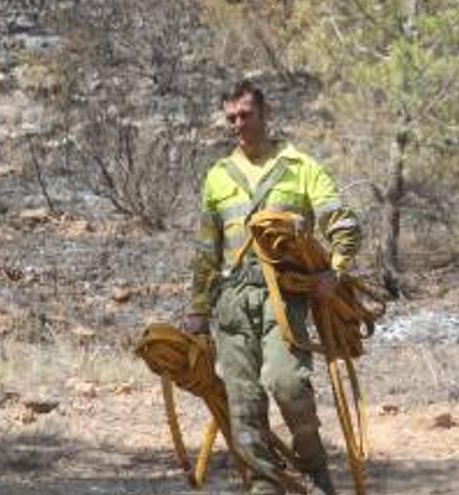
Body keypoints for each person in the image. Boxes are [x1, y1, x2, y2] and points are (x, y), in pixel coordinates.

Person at [183, 80, 361, 495]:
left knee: (288, 383)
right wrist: (198, 308)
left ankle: (314, 469)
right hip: (232, 302)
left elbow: (344, 225)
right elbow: (206, 250)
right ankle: (265, 484)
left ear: (265, 114)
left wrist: (333, 272)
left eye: (245, 115)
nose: (238, 124)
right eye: (231, 118)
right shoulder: (217, 176)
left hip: (285, 298)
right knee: (242, 404)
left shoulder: (300, 167)